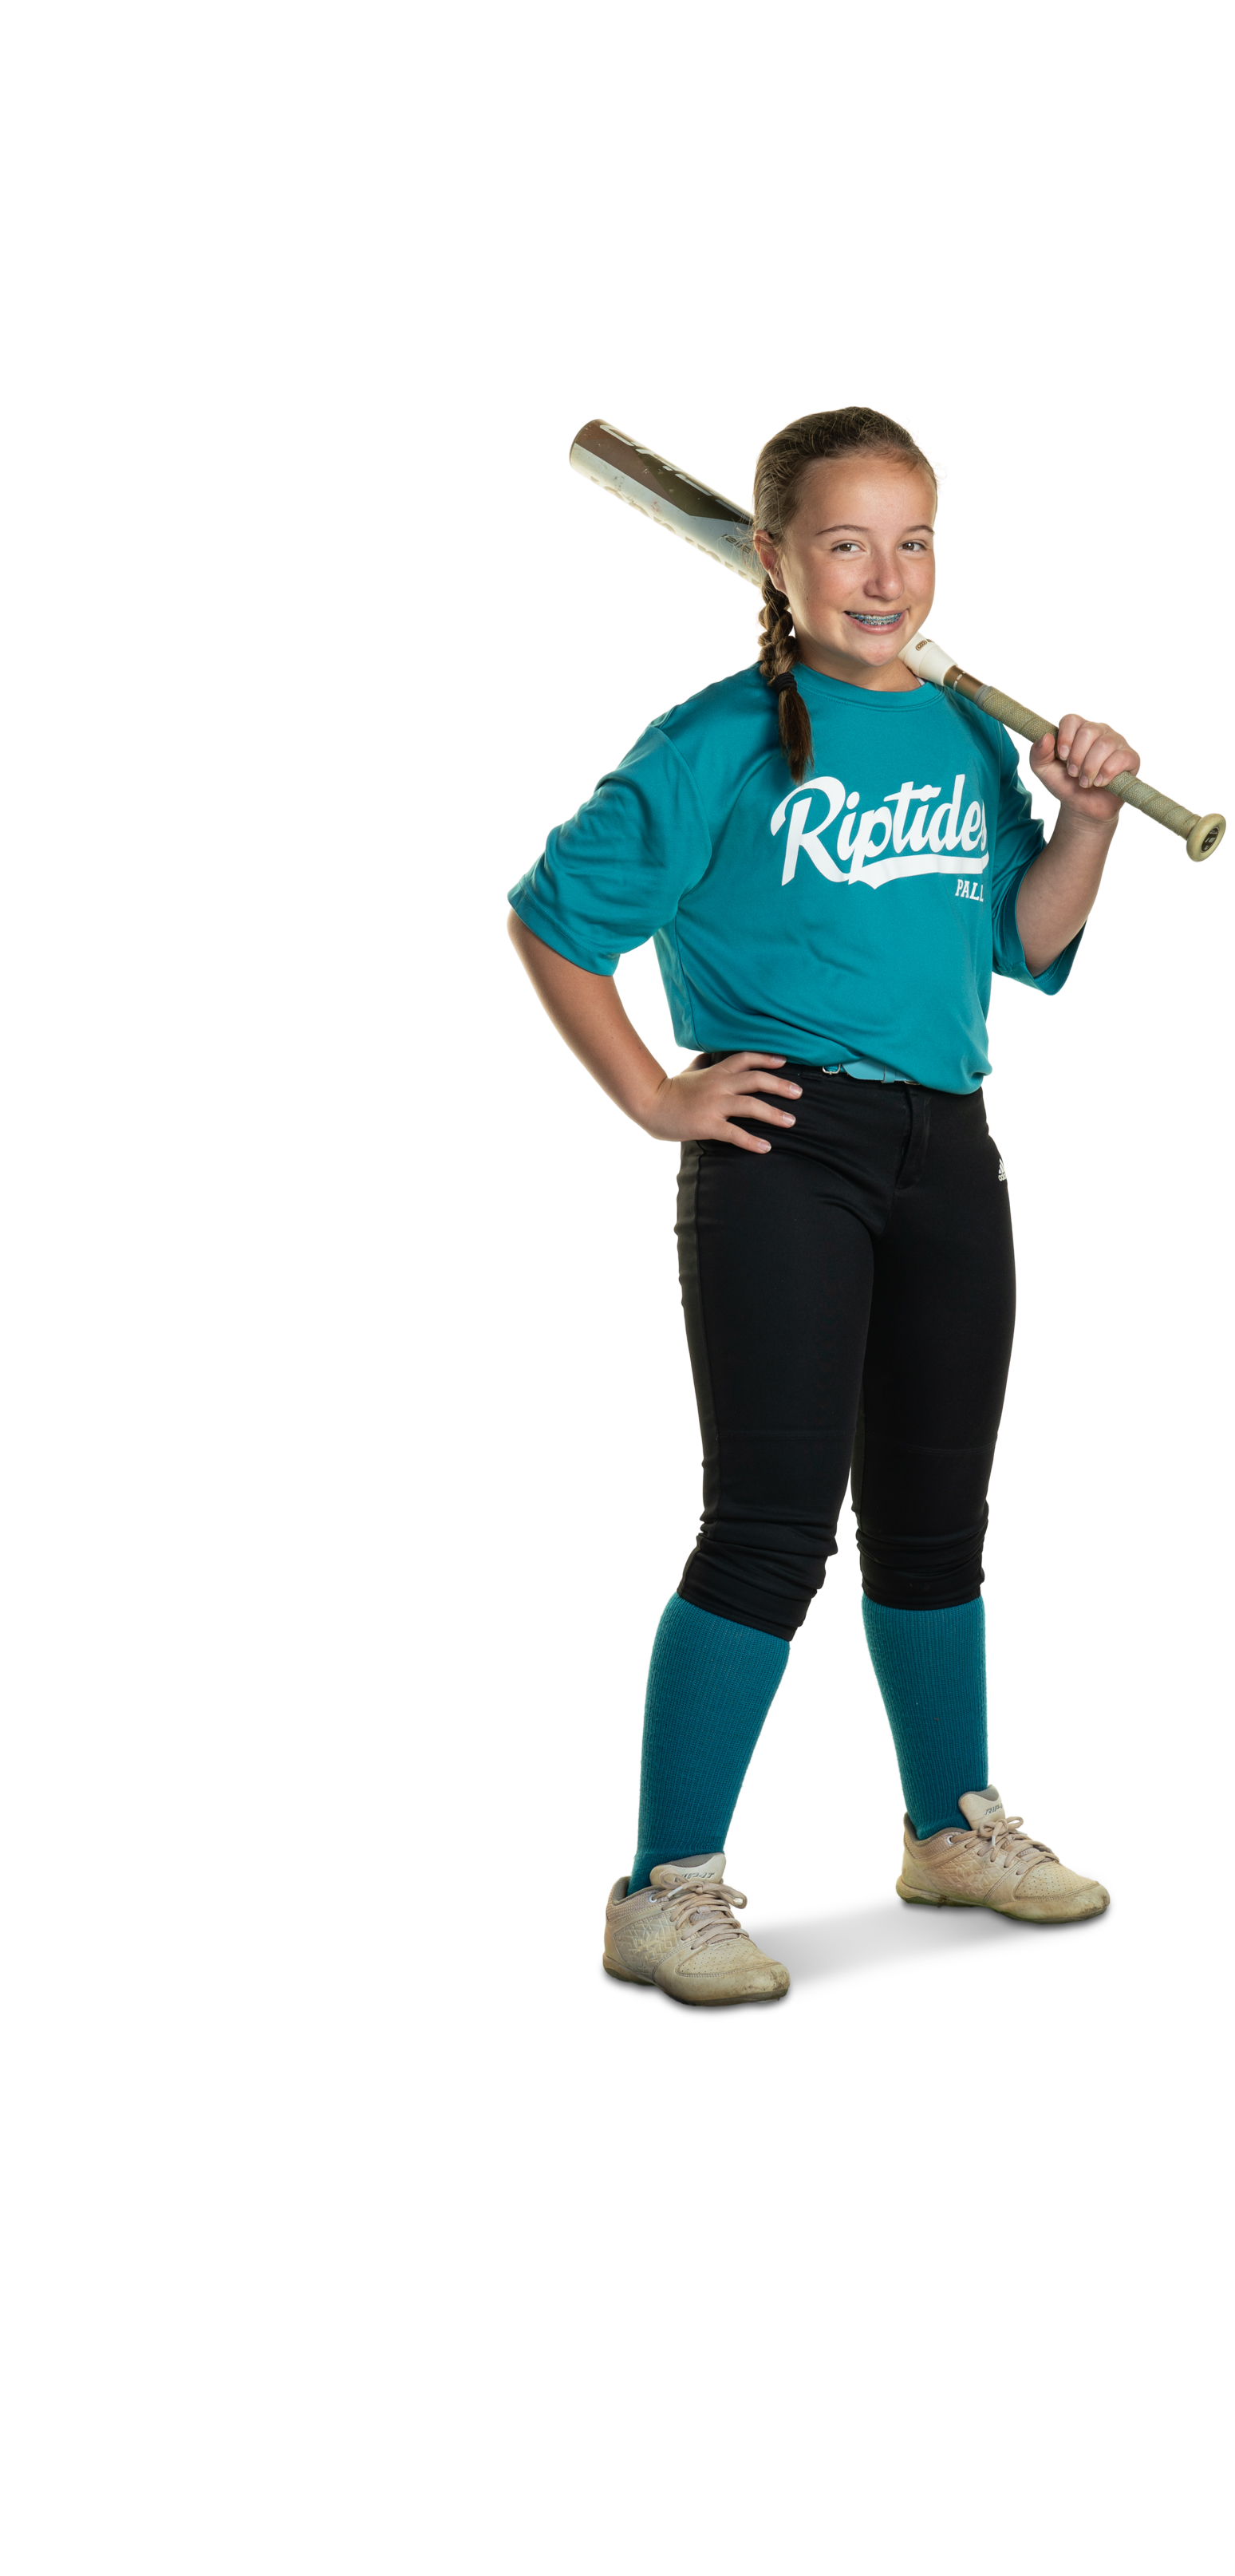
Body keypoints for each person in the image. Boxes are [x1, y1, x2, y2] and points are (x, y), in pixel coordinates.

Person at [507, 406, 1135, 2008]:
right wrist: (655, 1096)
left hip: (952, 1144)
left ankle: (949, 1830)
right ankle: (663, 1888)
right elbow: (551, 920)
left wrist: (1083, 816)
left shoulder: (966, 733)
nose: (886, 577)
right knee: (770, 1524)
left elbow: (1027, 947)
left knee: (936, 1521)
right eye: (846, 544)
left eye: (912, 543)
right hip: (783, 1145)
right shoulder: (713, 737)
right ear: (771, 558)